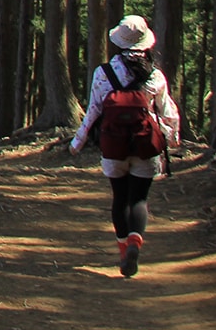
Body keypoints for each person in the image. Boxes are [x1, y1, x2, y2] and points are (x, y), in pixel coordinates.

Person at [69, 14, 182, 277]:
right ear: (146, 44)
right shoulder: (155, 76)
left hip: (113, 145)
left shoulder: (103, 73)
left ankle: (123, 252)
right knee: (139, 198)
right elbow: (169, 113)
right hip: (145, 146)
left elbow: (94, 111)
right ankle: (135, 243)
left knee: (120, 198)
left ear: (119, 43)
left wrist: (78, 142)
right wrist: (172, 141)